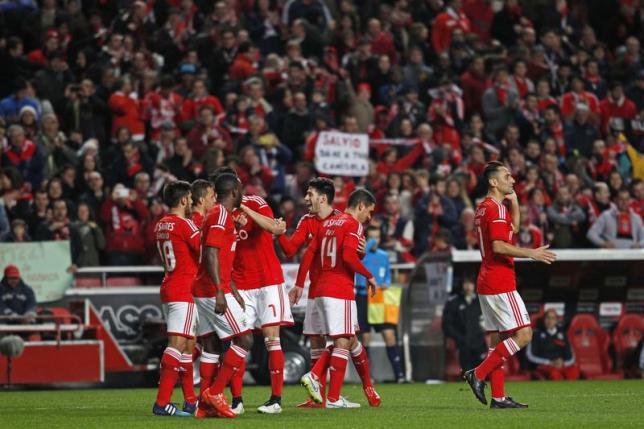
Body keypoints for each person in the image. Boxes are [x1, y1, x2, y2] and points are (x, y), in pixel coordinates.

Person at [280, 178, 380, 408]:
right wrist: (368, 273)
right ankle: (327, 392)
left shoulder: (329, 223)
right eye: (307, 194)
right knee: (341, 339)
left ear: (322, 198)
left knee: (345, 339)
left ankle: (363, 389)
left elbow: (309, 253)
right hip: (334, 289)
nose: (306, 199)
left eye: (310, 194)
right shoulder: (341, 222)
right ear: (362, 207)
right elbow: (345, 255)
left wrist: (361, 254)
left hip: (321, 290)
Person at [464, 161, 556, 409]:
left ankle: (499, 397)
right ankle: (479, 374)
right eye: (507, 176)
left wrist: (514, 203)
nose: (512, 180)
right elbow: (499, 246)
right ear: (494, 182)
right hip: (499, 280)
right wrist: (531, 253)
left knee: (499, 341)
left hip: (487, 278)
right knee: (524, 334)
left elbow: (510, 230)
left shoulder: (484, 208)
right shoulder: (495, 209)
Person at [195, 173, 252, 419]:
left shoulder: (220, 215)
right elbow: (210, 254)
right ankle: (216, 393)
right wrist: (220, 289)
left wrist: (233, 289)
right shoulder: (219, 214)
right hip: (211, 290)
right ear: (233, 192)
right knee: (245, 340)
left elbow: (221, 257)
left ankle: (204, 405)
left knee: (211, 346)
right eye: (240, 189)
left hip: (206, 288)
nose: (242, 193)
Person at [232, 193, 292, 414]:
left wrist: (245, 210)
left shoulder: (255, 202)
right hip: (240, 284)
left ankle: (275, 400)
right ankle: (236, 401)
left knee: (272, 339)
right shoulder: (219, 212)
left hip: (267, 280)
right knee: (239, 341)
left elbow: (276, 228)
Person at [151, 181, 201, 417]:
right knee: (178, 345)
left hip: (169, 286)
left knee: (188, 346)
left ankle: (190, 400)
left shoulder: (160, 225)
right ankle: (162, 403)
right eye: (190, 198)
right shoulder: (185, 225)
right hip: (184, 289)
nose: (192, 202)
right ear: (183, 200)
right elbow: (206, 250)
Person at [355, 225, 405, 383]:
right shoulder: (360, 255)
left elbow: (388, 275)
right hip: (363, 296)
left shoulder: (383, 256)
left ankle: (400, 376)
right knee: (365, 336)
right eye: (372, 238)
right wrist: (367, 245)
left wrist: (386, 283)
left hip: (380, 298)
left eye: (377, 238)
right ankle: (367, 378)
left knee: (389, 334)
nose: (375, 241)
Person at [442, 277, 487, 375]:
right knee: (467, 374)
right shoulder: (454, 302)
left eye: (470, 283)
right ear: (461, 285)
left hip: (480, 344)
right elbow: (447, 325)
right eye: (465, 283)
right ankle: (468, 389)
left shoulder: (481, 301)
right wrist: (459, 338)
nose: (468, 287)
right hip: (463, 345)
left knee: (483, 373)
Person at [526, 309, 580, 381]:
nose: (550, 321)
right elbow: (530, 355)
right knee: (555, 374)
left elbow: (571, 356)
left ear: (556, 321)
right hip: (544, 365)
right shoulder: (536, 334)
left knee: (573, 372)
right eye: (547, 318)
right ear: (543, 320)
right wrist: (549, 362)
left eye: (553, 318)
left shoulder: (563, 334)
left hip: (562, 365)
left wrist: (563, 363)